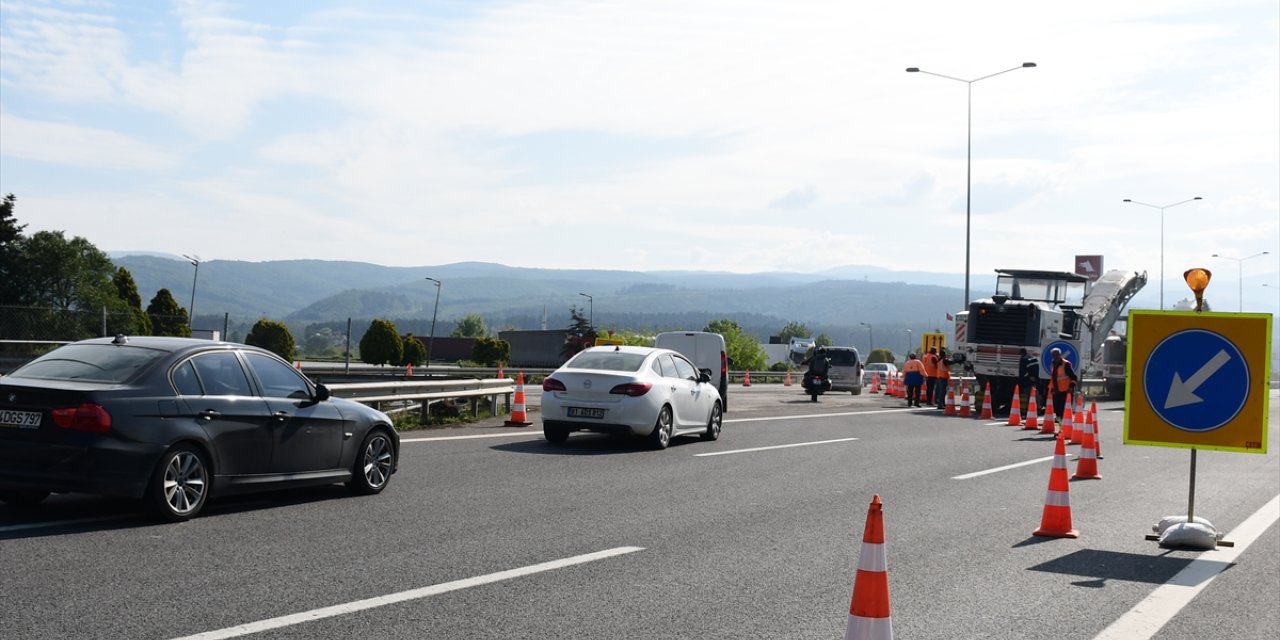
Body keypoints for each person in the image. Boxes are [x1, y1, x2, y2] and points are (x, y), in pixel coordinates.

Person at [1047, 348, 1077, 420]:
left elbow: (1074, 377)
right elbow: (1054, 377)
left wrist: (1071, 386)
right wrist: (1051, 388)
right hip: (1056, 389)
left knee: (1062, 405)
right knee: (1056, 405)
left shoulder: (1066, 364)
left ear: (1059, 355)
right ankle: (1058, 418)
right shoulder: (1053, 364)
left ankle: (1062, 419)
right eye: (1053, 355)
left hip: (1065, 389)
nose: (1055, 356)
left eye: (1056, 355)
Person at [1018, 347, 1040, 412]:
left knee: (1029, 396)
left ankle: (1030, 410)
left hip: (1027, 380)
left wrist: (1021, 380)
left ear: (1022, 353)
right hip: (1035, 379)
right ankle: (1037, 408)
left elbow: (1023, 371)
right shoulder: (1032, 358)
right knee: (1034, 395)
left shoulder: (1024, 359)